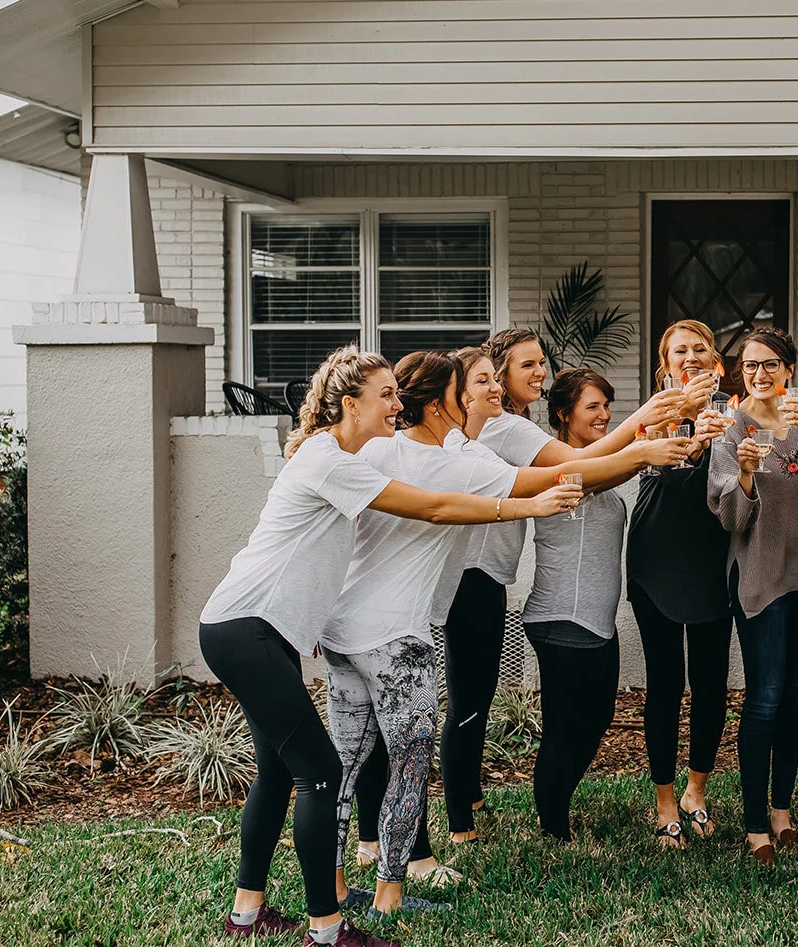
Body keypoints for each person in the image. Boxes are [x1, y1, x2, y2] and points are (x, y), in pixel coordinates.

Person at [196, 345, 581, 947]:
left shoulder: (344, 455)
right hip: (248, 628)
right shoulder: (330, 459)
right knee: (320, 773)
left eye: (399, 394)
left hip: (251, 628)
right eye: (385, 395)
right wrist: (527, 505)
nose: (397, 404)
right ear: (350, 404)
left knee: (277, 772)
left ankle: (247, 913)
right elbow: (432, 506)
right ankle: (327, 929)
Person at [320, 351, 686, 913]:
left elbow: (340, 525)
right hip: (394, 633)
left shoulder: (375, 450)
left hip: (344, 628)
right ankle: (393, 891)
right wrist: (639, 449)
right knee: (408, 761)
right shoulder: (456, 459)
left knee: (345, 767)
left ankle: (337, 886)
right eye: (469, 387)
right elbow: (550, 477)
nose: (479, 395)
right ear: (444, 401)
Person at [439, 328, 684, 843]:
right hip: (487, 583)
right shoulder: (506, 428)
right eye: (526, 365)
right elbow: (576, 473)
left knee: (484, 700)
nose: (539, 373)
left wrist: (652, 443)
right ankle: (469, 821)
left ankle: (472, 800)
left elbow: (593, 474)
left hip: (507, 582)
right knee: (472, 703)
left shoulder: (512, 430)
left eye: (541, 363)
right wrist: (645, 429)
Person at [522, 368, 728, 840]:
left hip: (596, 622)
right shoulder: (563, 470)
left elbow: (620, 466)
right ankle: (553, 829)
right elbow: (585, 475)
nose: (603, 415)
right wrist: (652, 437)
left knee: (593, 722)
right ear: (563, 414)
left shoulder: (600, 464)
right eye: (592, 407)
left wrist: (677, 444)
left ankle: (556, 812)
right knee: (564, 729)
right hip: (561, 616)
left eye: (606, 406)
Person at [707, 327, 798, 866]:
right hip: (759, 576)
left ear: (789, 368)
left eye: (770, 364)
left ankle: (783, 812)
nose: (759, 374)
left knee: (795, 696)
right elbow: (729, 518)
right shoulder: (732, 427)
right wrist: (745, 474)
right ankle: (754, 825)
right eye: (750, 366)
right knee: (765, 697)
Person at [626, 320, 735, 847]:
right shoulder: (657, 413)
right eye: (678, 352)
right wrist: (694, 433)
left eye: (699, 349)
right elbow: (670, 473)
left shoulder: (735, 412)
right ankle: (664, 799)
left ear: (715, 360)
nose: (690, 357)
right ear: (665, 365)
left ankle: (697, 790)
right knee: (666, 684)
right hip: (658, 555)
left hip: (715, 558)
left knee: (712, 684)